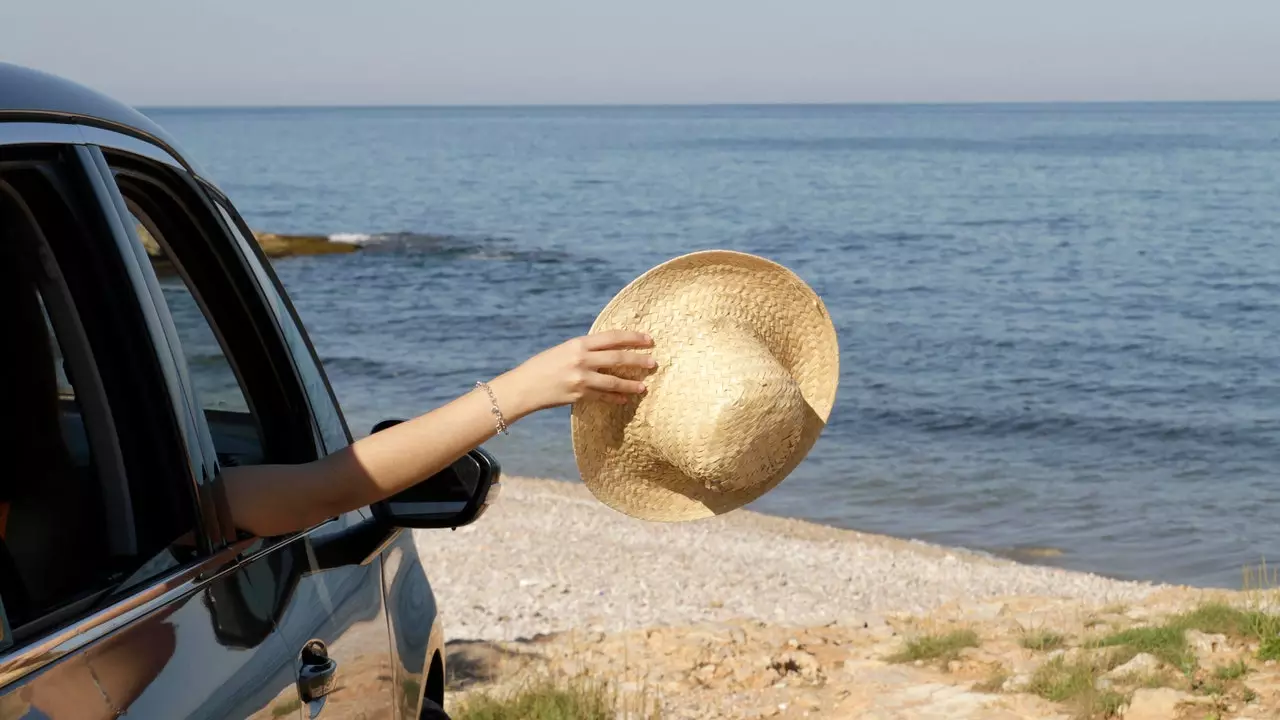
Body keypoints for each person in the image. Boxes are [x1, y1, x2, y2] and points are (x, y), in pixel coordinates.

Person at [220, 331, 657, 537]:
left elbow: (324, 489)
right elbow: (324, 490)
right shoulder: (166, 497)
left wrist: (526, 387)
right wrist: (522, 390)